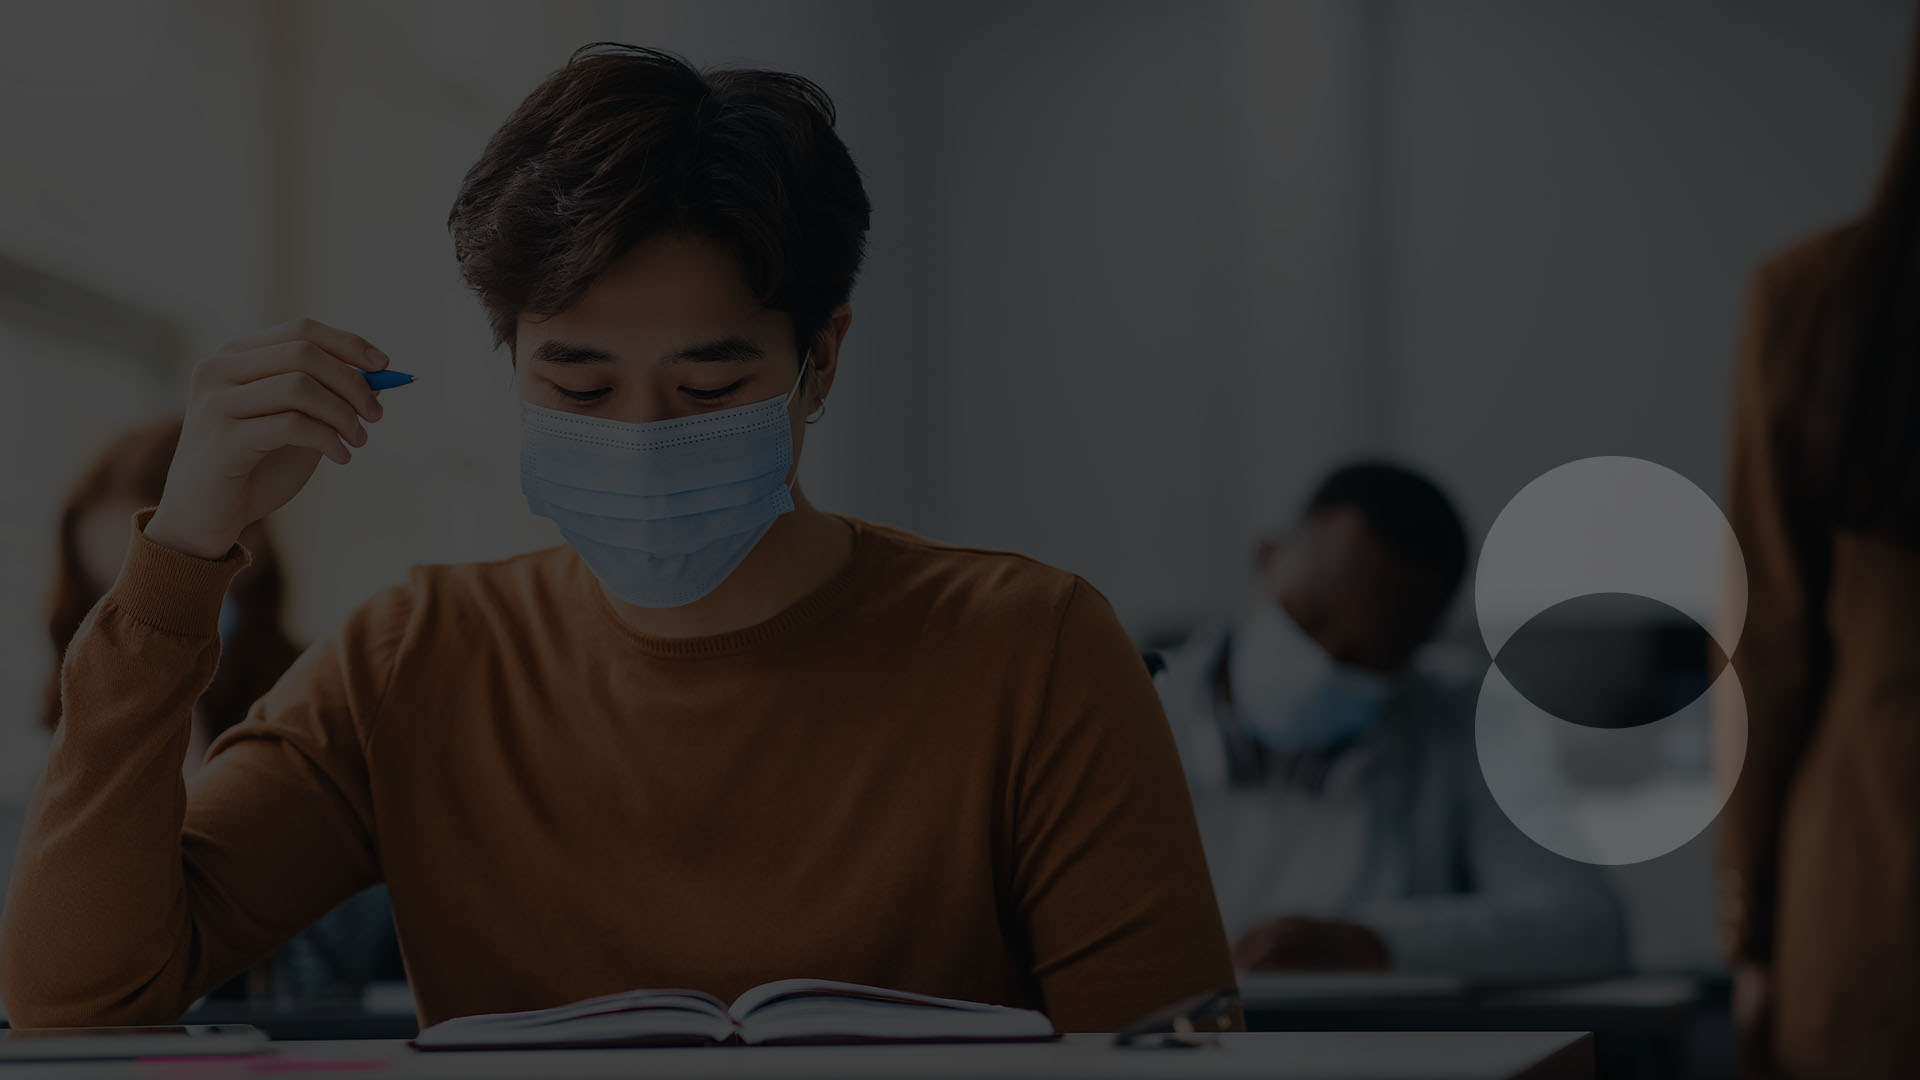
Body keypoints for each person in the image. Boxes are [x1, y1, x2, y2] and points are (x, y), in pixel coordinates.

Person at [0, 45, 1233, 1033]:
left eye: (707, 389)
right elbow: (79, 997)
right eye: (579, 386)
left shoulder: (1032, 649)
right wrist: (186, 548)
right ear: (510, 362)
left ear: (824, 360)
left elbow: (1168, 1044)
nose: (643, 432)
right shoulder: (409, 662)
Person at [1155, 462, 1627, 981]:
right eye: (1309, 618)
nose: (1322, 664)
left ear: (1418, 651)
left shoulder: (1463, 725)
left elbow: (1585, 924)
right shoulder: (1127, 706)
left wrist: (1373, 943)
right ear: (1267, 560)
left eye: (1366, 656)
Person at [34, 418, 403, 1004]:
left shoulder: (324, 702)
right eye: (108, 598)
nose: (136, 623)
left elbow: (333, 956)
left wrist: (190, 762)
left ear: (244, 559)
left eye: (157, 584)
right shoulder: (62, 734)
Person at [1718, 19, 1920, 1078]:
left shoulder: (1822, 300)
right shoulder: (1823, 299)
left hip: (1877, 887)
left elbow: (1767, 643)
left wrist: (1751, 934)